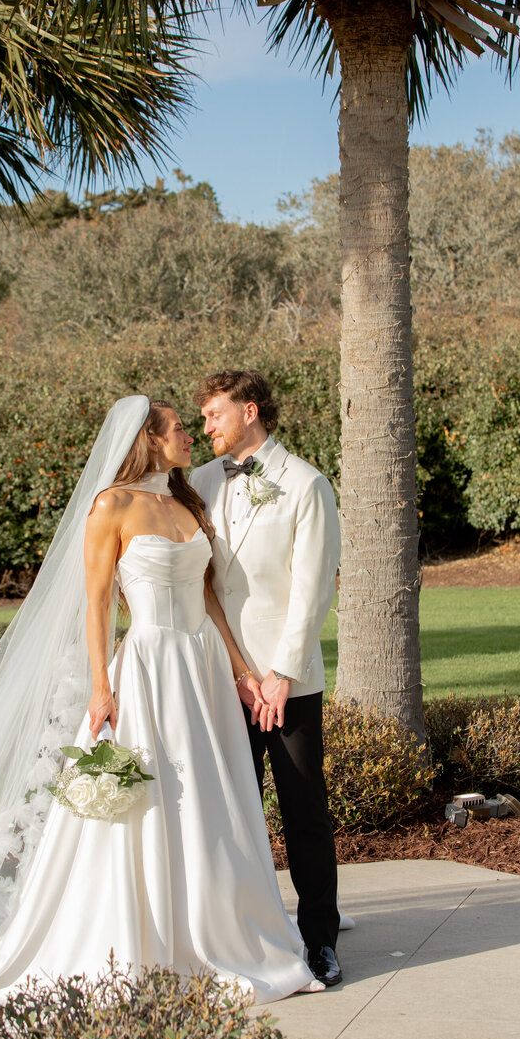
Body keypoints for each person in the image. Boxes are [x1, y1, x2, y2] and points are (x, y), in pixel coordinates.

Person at [0, 395, 319, 1028]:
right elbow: (96, 605)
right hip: (146, 668)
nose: (189, 437)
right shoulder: (111, 507)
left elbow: (207, 597)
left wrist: (239, 667)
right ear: (147, 438)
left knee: (212, 797)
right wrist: (101, 685)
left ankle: (217, 926)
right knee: (148, 800)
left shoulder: (188, 503)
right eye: (178, 428)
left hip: (200, 670)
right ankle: (142, 934)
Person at [190, 370, 344, 987]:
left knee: (305, 809)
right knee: (232, 811)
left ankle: (320, 940)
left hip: (289, 682)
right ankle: (243, 938)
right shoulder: (199, 483)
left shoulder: (307, 485)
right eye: (200, 419)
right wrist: (237, 669)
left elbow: (312, 591)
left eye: (214, 415)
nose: (206, 428)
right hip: (222, 677)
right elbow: (201, 582)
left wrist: (279, 674)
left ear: (249, 411)